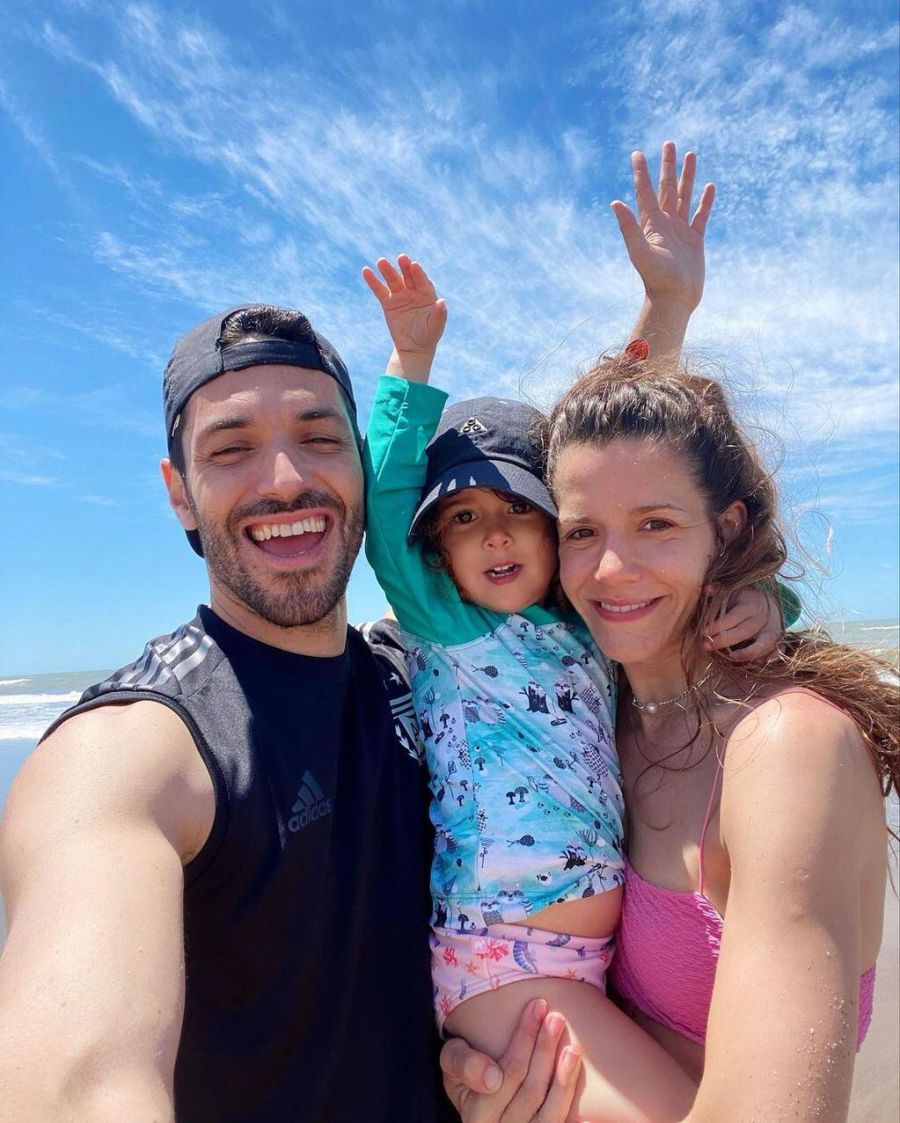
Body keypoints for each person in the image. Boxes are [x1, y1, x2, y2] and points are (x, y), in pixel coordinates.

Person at [361, 150, 792, 1121]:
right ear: (436, 547)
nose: (494, 534)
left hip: (588, 965)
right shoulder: (451, 628)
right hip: (499, 965)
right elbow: (385, 508)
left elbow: (626, 459)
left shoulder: (588, 627)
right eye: (462, 518)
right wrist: (409, 366)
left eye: (518, 511)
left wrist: (772, 609)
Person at [0, 306, 455, 1121]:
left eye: (320, 437)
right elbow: (78, 1078)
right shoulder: (133, 747)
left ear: (361, 465)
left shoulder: (419, 675)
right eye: (231, 449)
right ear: (180, 493)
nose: (284, 478)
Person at [445, 349, 898, 1121]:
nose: (611, 567)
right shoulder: (593, 723)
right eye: (582, 531)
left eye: (655, 524)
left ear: (726, 530)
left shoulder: (786, 747)